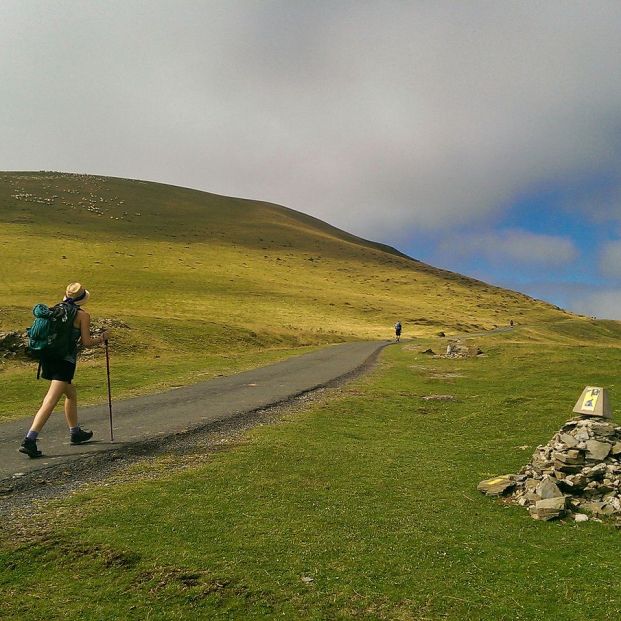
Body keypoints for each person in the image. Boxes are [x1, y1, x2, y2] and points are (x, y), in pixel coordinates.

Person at [19, 283, 109, 458]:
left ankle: (75, 432)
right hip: (64, 362)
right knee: (50, 400)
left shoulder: (56, 310)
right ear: (82, 299)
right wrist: (103, 338)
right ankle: (30, 440)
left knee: (71, 393)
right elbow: (86, 342)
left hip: (48, 358)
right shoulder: (82, 315)